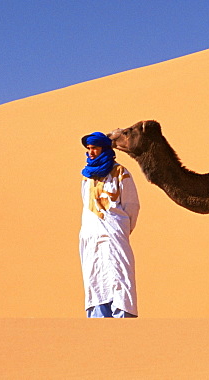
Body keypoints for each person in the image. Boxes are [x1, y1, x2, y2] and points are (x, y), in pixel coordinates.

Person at [78, 131, 140, 318]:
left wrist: (120, 228)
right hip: (90, 234)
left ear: (104, 149)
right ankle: (99, 324)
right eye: (89, 149)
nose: (91, 152)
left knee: (119, 275)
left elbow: (132, 206)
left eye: (95, 148)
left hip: (114, 233)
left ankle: (123, 322)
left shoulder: (120, 172)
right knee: (94, 278)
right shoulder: (86, 176)